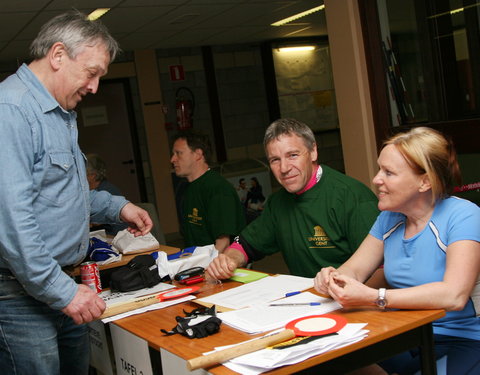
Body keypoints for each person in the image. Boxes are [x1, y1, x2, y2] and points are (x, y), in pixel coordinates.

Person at [0, 11, 153, 375]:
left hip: (61, 283)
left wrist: (120, 207)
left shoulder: (60, 113)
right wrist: (64, 292)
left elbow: (61, 193)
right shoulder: (12, 111)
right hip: (22, 294)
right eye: (92, 72)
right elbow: (12, 220)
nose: (95, 86)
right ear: (57, 56)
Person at [314, 127, 480, 375]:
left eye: (389, 173)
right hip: (405, 331)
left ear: (424, 181)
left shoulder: (464, 216)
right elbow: (355, 269)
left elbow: (453, 295)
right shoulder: (388, 218)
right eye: (380, 169)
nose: (376, 179)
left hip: (462, 340)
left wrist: (374, 297)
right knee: (328, 361)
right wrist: (332, 278)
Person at [206, 118, 379, 280]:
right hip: (304, 299)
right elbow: (245, 245)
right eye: (275, 160)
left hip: (352, 300)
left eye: (293, 155)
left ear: (313, 152)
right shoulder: (277, 203)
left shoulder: (353, 197)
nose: (284, 168)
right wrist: (228, 260)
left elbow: (381, 271)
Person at [170, 130, 246, 252]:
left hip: (219, 267)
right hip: (198, 265)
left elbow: (223, 244)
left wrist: (206, 268)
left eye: (179, 153)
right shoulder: (189, 188)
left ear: (198, 154)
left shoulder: (218, 188)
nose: (173, 159)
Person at [87, 153, 129, 235]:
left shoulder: (106, 190)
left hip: (114, 236)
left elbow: (96, 220)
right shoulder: (94, 190)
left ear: (92, 175)